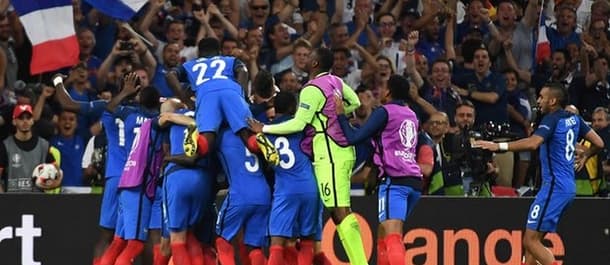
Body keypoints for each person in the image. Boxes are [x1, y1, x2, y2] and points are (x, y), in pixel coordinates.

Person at [248, 47, 368, 265]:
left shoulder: (311, 89)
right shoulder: (336, 81)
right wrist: (335, 115)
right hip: (340, 149)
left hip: (329, 151)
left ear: (315, 64)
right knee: (337, 211)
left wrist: (263, 129)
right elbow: (356, 103)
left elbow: (298, 123)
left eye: (310, 56)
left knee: (340, 211)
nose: (304, 58)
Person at [475, 83, 604, 265]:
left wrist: (499, 146)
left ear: (553, 101)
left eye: (542, 97)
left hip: (554, 187)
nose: (538, 101)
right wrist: (586, 155)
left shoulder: (551, 119)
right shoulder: (575, 119)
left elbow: (533, 143)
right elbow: (599, 143)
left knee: (530, 240)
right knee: (533, 242)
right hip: (565, 187)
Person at [335, 75, 422, 265]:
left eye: (383, 88)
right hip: (414, 181)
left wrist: (341, 115)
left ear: (389, 92)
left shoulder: (385, 111)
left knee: (392, 236)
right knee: (383, 232)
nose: (380, 92)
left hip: (394, 180)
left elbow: (353, 138)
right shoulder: (411, 114)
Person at [166, 37, 279, 166]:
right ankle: (259, 142)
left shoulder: (190, 65)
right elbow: (243, 70)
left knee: (206, 144)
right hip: (231, 90)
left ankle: (195, 139)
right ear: (219, 51)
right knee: (247, 136)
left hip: (206, 93)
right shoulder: (229, 60)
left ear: (198, 53)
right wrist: (241, 95)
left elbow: (170, 75)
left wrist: (186, 100)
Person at [265, 92, 322, 265]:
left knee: (276, 243)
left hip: (286, 190)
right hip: (310, 188)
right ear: (294, 108)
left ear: (276, 108)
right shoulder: (303, 128)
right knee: (306, 241)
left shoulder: (267, 130)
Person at [0, 104, 62, 192]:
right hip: (13, 202)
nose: (25, 121)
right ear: (14, 121)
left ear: (32, 120)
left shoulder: (44, 145)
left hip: (38, 202)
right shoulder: (5, 146)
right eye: (21, 118)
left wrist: (51, 185)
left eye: (28, 118)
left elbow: (57, 175)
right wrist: (3, 201)